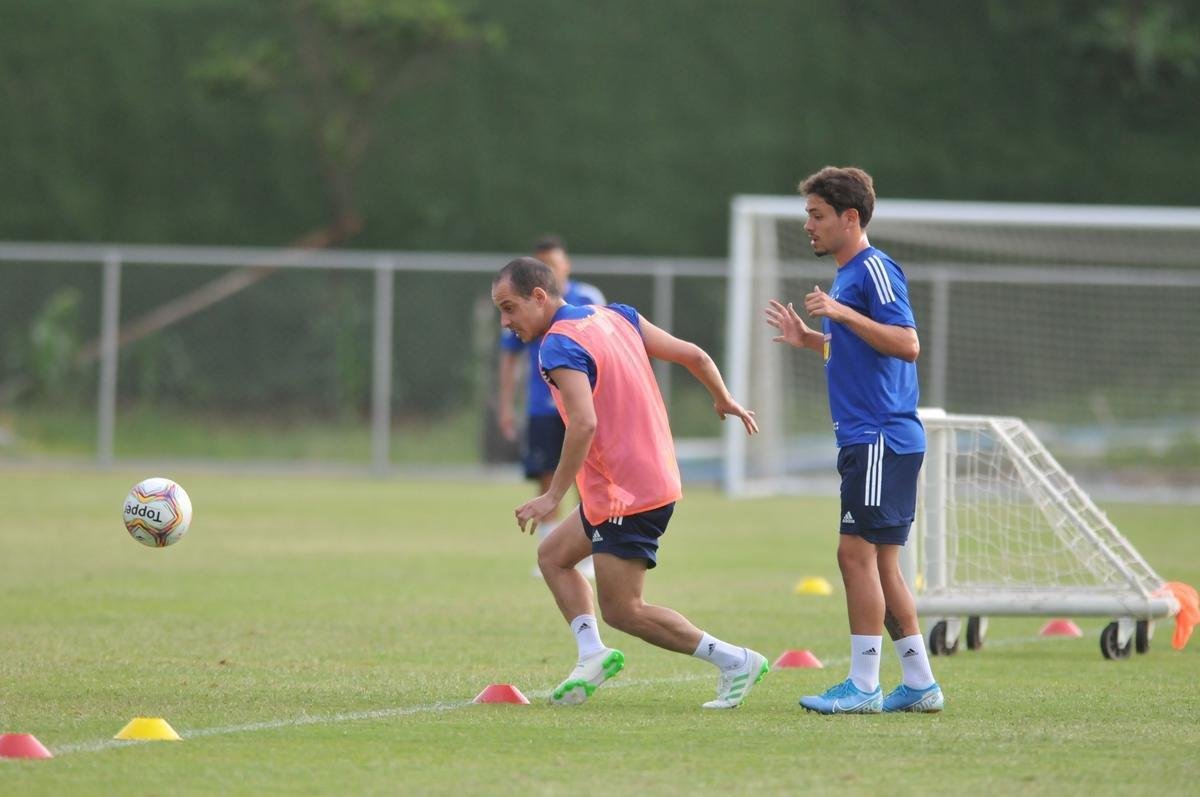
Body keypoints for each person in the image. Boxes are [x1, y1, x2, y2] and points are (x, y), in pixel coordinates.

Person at [492, 256, 768, 709]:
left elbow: (583, 424)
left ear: (539, 297)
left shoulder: (556, 346)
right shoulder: (616, 315)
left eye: (509, 308)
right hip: (640, 480)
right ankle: (592, 654)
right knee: (553, 557)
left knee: (623, 610)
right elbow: (694, 354)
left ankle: (736, 661)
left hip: (627, 494)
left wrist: (552, 496)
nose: (505, 322)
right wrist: (723, 398)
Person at [764, 166, 943, 714]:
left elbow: (908, 344)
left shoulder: (874, 270)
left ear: (850, 217)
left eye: (817, 216)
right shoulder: (847, 276)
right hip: (874, 438)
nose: (808, 226)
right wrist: (814, 339)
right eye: (807, 216)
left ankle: (864, 685)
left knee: (854, 556)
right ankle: (919, 683)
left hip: (880, 437)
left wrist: (840, 313)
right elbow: (864, 353)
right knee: (882, 564)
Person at [497, 236, 606, 578]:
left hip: (580, 403)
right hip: (543, 405)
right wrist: (505, 404)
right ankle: (549, 548)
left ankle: (586, 550)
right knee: (546, 474)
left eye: (555, 265)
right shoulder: (522, 305)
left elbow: (606, 343)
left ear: (566, 266)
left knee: (585, 474)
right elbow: (509, 357)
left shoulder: (586, 299)